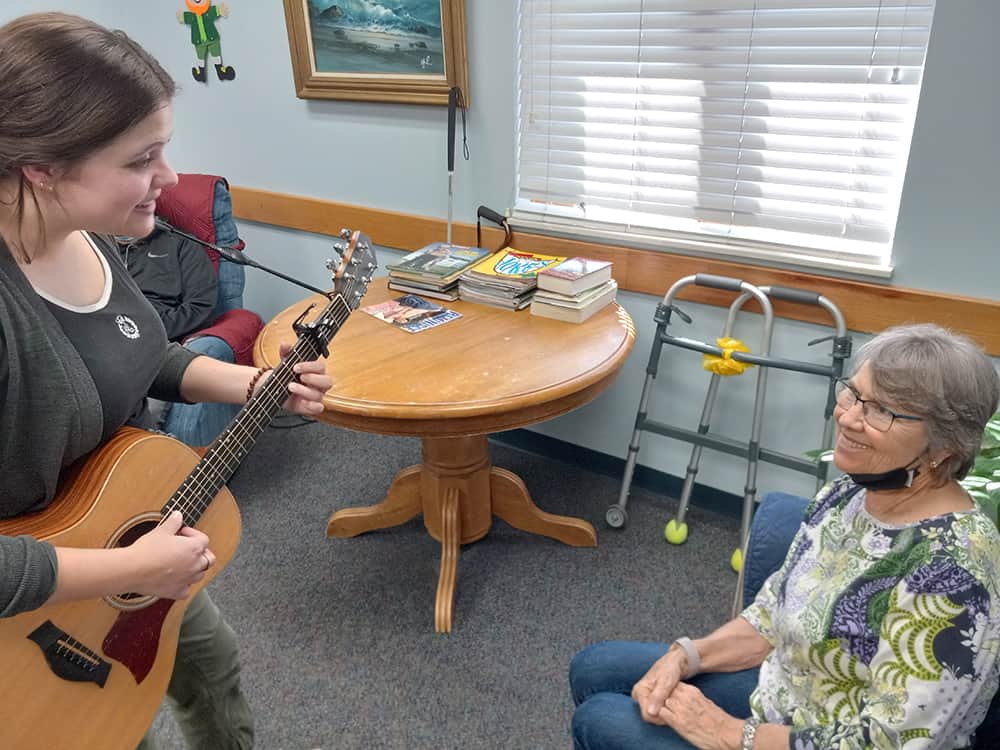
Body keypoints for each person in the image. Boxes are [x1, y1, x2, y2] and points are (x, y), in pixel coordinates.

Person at [0, 12, 332, 749]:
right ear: (41, 169)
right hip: (31, 613)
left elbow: (142, 354)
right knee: (111, 728)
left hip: (127, 540)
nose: (170, 179)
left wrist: (250, 384)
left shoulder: (86, 238)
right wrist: (128, 566)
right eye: (140, 158)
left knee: (211, 666)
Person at [570, 324, 1000, 750]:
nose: (847, 417)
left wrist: (727, 733)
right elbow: (776, 609)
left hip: (833, 740)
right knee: (594, 669)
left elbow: (889, 743)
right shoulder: (850, 491)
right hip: (789, 697)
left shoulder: (952, 573)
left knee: (599, 720)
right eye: (853, 393)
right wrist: (686, 655)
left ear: (943, 447)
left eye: (881, 411)